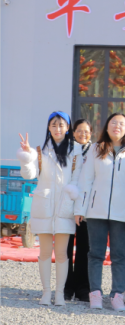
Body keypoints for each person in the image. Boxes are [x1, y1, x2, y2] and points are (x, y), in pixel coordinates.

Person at [74, 113, 125, 311]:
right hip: (96, 211)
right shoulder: (97, 149)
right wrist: (80, 208)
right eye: (113, 122)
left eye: (121, 123)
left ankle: (117, 295)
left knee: (120, 256)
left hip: (123, 214)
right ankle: (95, 293)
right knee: (95, 254)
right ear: (106, 127)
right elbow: (85, 180)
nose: (117, 126)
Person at [17, 112, 80, 306]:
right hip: (43, 207)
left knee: (62, 253)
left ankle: (59, 293)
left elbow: (79, 180)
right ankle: (46, 292)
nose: (57, 129)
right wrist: (27, 157)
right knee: (44, 252)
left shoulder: (76, 151)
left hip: (65, 207)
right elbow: (30, 176)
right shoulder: (40, 151)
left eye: (61, 125)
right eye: (53, 125)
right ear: (49, 128)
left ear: (68, 128)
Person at [63, 119, 95, 303]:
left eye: (87, 131)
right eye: (79, 131)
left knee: (85, 247)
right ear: (73, 132)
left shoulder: (96, 151)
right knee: (66, 248)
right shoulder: (66, 150)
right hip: (67, 204)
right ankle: (67, 286)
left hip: (87, 206)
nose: (83, 134)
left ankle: (83, 287)